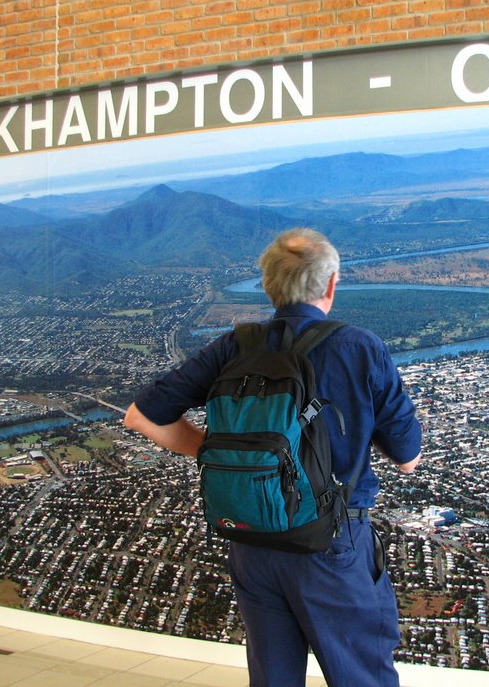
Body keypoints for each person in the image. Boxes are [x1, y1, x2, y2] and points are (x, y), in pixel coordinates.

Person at [124, 227, 423, 687]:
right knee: (362, 674)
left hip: (252, 538)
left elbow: (141, 418)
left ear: (269, 287)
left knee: (273, 676)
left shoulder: (235, 345)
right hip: (329, 543)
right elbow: (407, 457)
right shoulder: (359, 347)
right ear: (330, 284)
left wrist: (223, 454)